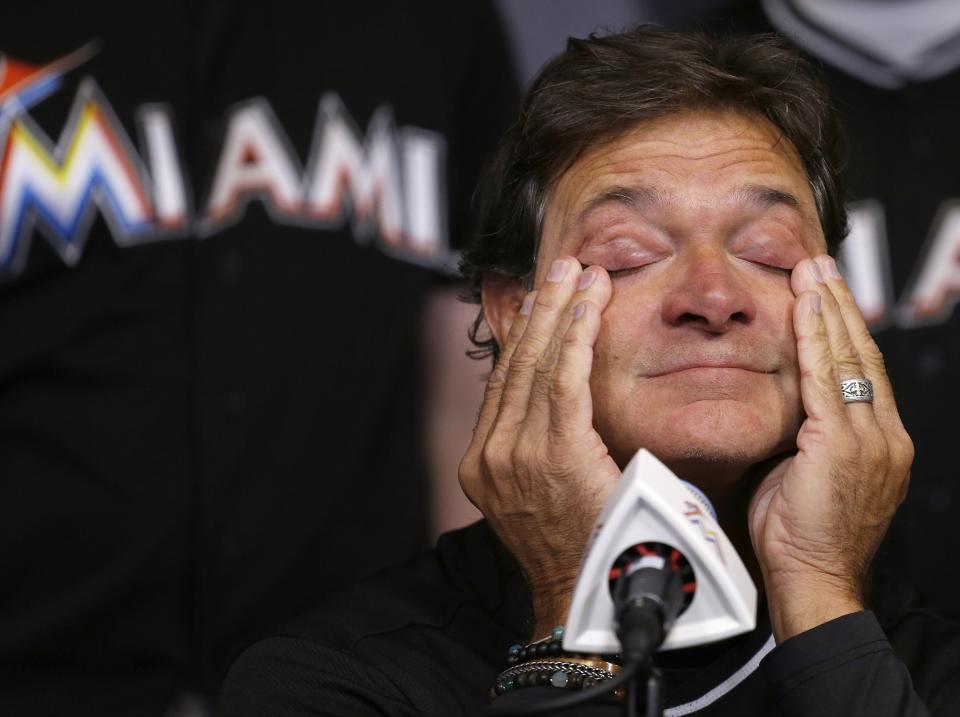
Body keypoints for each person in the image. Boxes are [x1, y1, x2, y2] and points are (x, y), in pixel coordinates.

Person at [216, 26, 960, 716]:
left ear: (835, 301)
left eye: (767, 251)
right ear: (515, 311)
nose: (712, 297)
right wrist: (574, 600)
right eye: (627, 256)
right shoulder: (333, 681)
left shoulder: (929, 666)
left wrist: (823, 598)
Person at [0, 1, 515, 714]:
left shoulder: (432, 20)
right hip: (35, 656)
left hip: (352, 665)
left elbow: (471, 359)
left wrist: (475, 653)